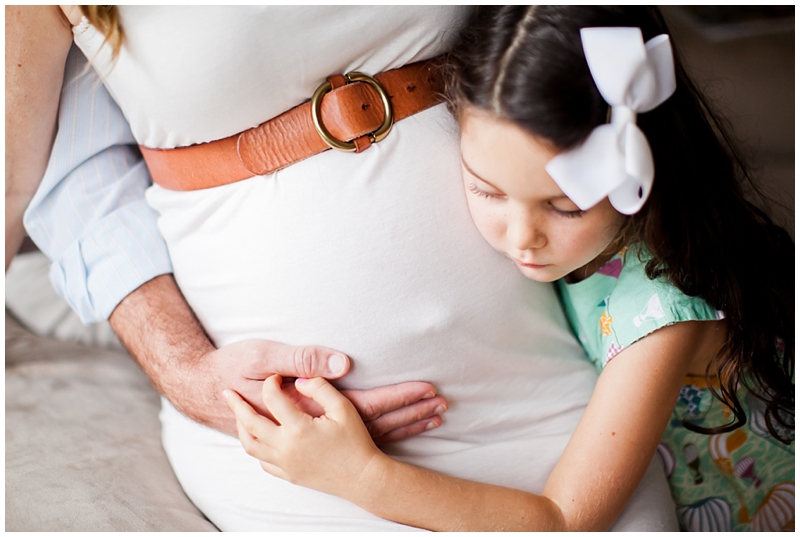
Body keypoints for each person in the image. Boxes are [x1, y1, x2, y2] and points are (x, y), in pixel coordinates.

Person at [11, 6, 678, 531]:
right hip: (303, 454)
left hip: (553, 409)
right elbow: (55, 182)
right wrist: (183, 369)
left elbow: (573, 49)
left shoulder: (662, 312)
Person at [224, 6, 795, 532]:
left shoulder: (661, 311)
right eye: (487, 190)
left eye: (565, 206)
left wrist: (358, 475)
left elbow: (565, 520)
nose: (522, 238)